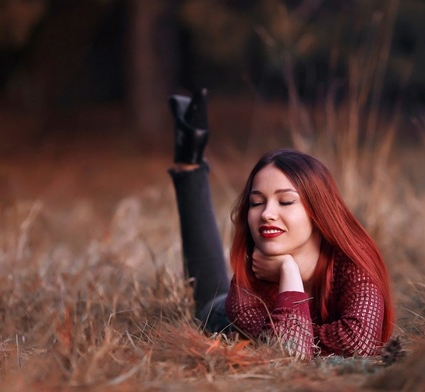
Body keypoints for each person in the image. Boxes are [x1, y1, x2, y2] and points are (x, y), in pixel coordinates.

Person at [168, 89, 394, 360]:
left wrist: (287, 283)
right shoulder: (246, 288)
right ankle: (189, 160)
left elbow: (359, 345)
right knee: (207, 301)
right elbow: (288, 354)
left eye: (285, 201)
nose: (266, 214)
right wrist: (289, 272)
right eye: (256, 202)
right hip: (221, 318)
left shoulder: (352, 264)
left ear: (318, 212)